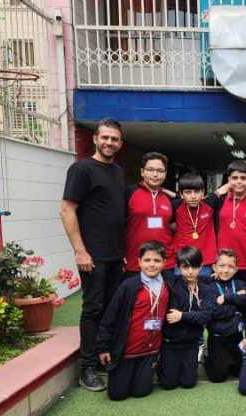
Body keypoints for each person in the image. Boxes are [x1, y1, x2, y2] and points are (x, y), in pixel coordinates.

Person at [60, 118, 126, 392]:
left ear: (120, 143)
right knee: (93, 308)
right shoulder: (81, 169)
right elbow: (67, 209)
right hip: (92, 255)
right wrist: (80, 251)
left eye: (114, 139)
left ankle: (102, 358)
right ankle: (87, 367)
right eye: (105, 137)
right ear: (95, 139)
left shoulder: (118, 172)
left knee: (110, 308)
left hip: (115, 255)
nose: (110, 142)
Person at [96, 241, 170, 401]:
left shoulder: (168, 284)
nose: (152, 264)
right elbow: (109, 318)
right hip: (127, 351)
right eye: (147, 260)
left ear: (164, 262)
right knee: (117, 395)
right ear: (139, 262)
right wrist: (103, 347)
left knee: (141, 392)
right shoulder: (128, 286)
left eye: (157, 260)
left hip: (150, 351)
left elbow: (191, 282)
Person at [159, 247, 215, 390]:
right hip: (170, 343)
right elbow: (159, 266)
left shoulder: (206, 289)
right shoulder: (172, 284)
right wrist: (195, 315)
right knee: (168, 385)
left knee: (188, 383)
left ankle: (201, 357)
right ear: (178, 267)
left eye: (195, 267)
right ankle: (161, 363)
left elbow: (206, 316)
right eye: (185, 267)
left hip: (191, 343)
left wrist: (182, 315)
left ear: (201, 266)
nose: (190, 271)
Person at [123, 152, 175, 281]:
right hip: (136, 261)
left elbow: (175, 226)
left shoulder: (169, 198)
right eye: (150, 170)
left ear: (165, 174)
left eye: (160, 171)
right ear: (142, 172)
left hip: (166, 262)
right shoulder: (128, 193)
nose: (155, 174)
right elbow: (117, 225)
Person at [205, 249, 246, 382]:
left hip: (237, 337)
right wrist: (237, 303)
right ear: (214, 267)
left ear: (236, 269)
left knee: (240, 373)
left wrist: (227, 298)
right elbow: (214, 312)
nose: (226, 270)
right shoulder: (209, 286)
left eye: (230, 267)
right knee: (217, 378)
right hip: (217, 338)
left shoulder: (240, 284)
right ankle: (207, 356)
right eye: (221, 266)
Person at [171, 173, 217, 280]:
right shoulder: (175, 206)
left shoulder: (209, 204)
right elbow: (170, 226)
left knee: (204, 289)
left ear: (203, 193)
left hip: (205, 261)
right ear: (181, 194)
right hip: (182, 260)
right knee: (182, 289)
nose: (193, 196)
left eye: (197, 192)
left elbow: (229, 186)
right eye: (188, 192)